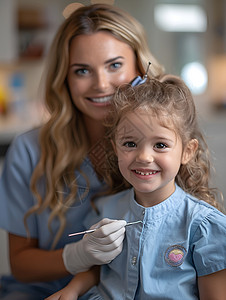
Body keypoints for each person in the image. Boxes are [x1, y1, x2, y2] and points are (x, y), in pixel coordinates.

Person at [0, 3, 165, 299]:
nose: (101, 84)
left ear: (141, 69)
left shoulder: (162, 149)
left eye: (114, 65)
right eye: (82, 70)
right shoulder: (28, 151)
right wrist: (75, 256)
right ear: (65, 77)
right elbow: (21, 264)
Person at [46, 75, 226, 300]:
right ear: (115, 148)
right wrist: (71, 291)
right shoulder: (105, 208)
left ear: (187, 151)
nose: (144, 157)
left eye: (160, 145)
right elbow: (97, 267)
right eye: (130, 144)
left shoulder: (202, 226)